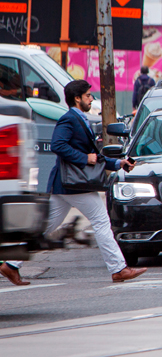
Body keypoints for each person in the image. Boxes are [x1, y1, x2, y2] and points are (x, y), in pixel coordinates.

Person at [0, 80, 147, 286]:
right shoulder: (69, 119)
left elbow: (93, 156)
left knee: (45, 225)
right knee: (101, 221)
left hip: (65, 185)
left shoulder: (79, 119)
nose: (91, 99)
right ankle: (118, 269)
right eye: (88, 96)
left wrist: (118, 163)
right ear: (77, 98)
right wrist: (84, 158)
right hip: (75, 184)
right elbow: (58, 145)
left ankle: (11, 264)